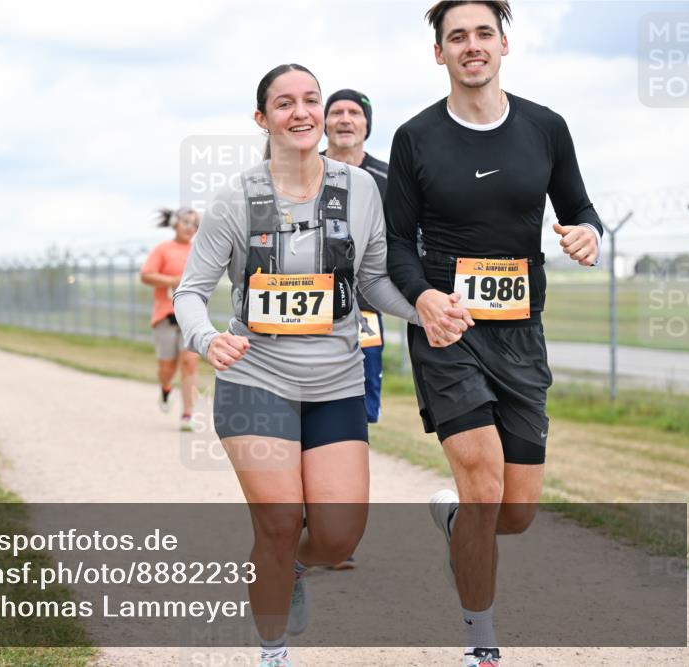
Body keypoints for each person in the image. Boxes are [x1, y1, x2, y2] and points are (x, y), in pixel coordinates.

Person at [174, 63, 470, 667]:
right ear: (263, 119)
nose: (302, 112)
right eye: (285, 103)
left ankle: (293, 570)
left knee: (337, 537)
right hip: (255, 379)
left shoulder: (361, 191)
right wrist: (207, 340)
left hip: (335, 379)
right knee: (279, 523)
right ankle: (273, 651)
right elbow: (189, 293)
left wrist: (423, 309)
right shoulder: (236, 198)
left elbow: (372, 283)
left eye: (311, 99)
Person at [384, 3, 603, 665]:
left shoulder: (545, 127)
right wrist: (423, 296)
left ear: (504, 44)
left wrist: (587, 230)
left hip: (521, 337)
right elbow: (396, 243)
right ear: (439, 53)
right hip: (449, 331)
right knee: (483, 485)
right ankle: (481, 643)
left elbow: (579, 207)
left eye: (483, 34)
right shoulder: (415, 137)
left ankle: (455, 523)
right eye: (457, 37)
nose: (471, 46)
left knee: (515, 511)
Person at [321, 88, 390, 571]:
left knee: (356, 417)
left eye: (354, 113)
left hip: (365, 314)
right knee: (306, 408)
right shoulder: (304, 169)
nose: (345, 120)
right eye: (337, 112)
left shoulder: (388, 178)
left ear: (367, 124)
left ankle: (338, 530)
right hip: (304, 311)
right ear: (324, 123)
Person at [140, 208, 201, 431]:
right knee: (167, 367)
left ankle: (187, 414)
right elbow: (146, 275)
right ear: (175, 223)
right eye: (185, 222)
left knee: (189, 361)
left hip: (192, 316)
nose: (189, 228)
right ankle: (165, 387)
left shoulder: (200, 251)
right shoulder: (163, 250)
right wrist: (173, 280)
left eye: (194, 224)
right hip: (166, 316)